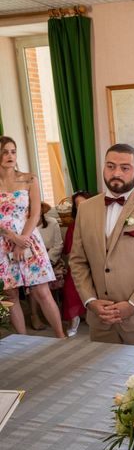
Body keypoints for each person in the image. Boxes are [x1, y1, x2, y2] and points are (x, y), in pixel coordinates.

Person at [69, 143, 134, 347]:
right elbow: (77, 261)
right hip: (101, 320)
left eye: (125, 168)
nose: (116, 172)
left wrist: (133, 305)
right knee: (104, 378)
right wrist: (91, 301)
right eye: (110, 166)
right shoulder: (86, 209)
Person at [0, 136, 65, 338]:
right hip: (3, 243)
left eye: (13, 151)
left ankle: (61, 337)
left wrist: (23, 240)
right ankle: (23, 342)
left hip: (29, 241)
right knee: (11, 295)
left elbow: (35, 213)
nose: (10, 156)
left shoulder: (29, 179)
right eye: (4, 152)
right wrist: (11, 236)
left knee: (42, 292)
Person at [28, 201, 64, 330]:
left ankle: (53, 312)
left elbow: (58, 244)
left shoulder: (52, 222)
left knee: (42, 279)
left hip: (51, 260)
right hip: (31, 261)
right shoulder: (24, 225)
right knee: (33, 283)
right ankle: (34, 315)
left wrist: (47, 260)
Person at [61, 190, 91, 337]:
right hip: (79, 263)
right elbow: (70, 251)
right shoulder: (73, 226)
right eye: (78, 204)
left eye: (84, 202)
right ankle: (74, 318)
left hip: (98, 263)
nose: (81, 206)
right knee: (70, 285)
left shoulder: (100, 221)